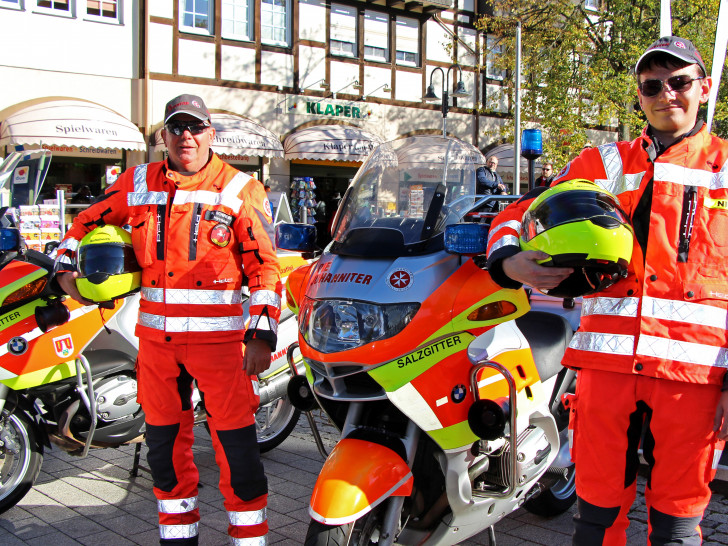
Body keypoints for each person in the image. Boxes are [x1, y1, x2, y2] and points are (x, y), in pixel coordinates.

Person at [483, 36, 728, 544]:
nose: (667, 94)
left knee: (678, 525)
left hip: (694, 380)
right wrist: (509, 262)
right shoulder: (605, 165)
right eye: (652, 85)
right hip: (605, 375)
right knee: (594, 519)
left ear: (703, 87)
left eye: (680, 82)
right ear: (639, 96)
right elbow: (517, 213)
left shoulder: (724, 169)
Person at [54, 94, 281, 546]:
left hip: (220, 347)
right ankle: (178, 538)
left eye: (195, 127)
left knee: (236, 450)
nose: (186, 137)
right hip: (157, 346)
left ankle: (249, 539)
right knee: (163, 451)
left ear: (211, 134)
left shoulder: (239, 189)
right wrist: (64, 266)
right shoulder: (136, 181)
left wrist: (261, 334)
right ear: (163, 137)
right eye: (176, 128)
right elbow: (82, 224)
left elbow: (264, 267)